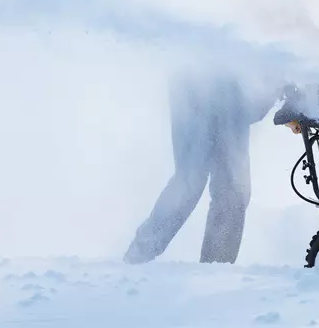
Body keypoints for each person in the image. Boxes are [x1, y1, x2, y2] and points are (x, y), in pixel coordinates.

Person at [123, 50, 291, 264]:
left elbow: (252, 107)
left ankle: (215, 269)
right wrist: (277, 85)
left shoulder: (280, 33)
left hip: (232, 87)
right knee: (190, 180)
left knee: (234, 190)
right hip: (197, 81)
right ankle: (136, 259)